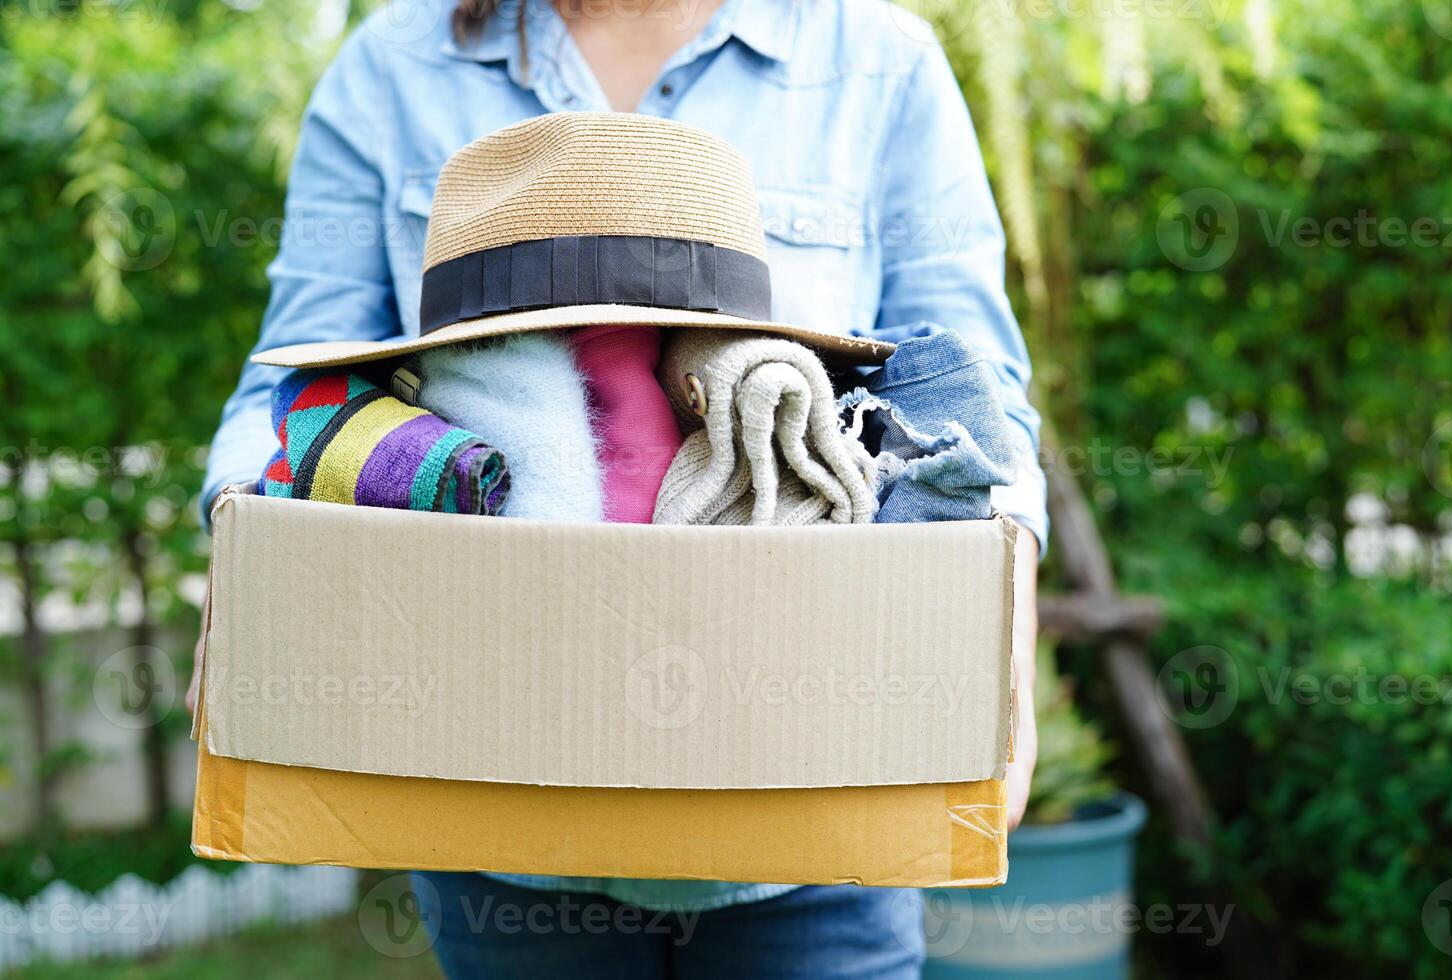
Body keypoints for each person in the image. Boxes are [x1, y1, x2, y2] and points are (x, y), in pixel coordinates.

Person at [190, 1, 1046, 976]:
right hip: (499, 814)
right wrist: (243, 566)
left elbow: (976, 403)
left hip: (812, 805)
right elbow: (290, 388)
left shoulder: (874, 59)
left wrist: (1000, 644)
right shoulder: (392, 65)